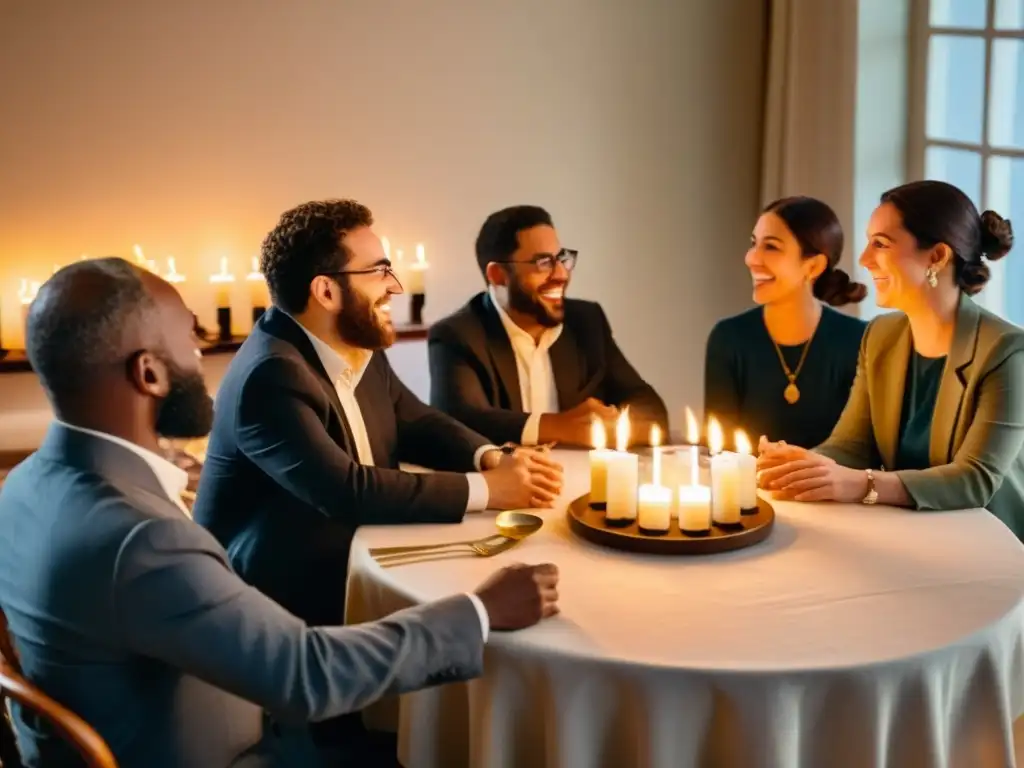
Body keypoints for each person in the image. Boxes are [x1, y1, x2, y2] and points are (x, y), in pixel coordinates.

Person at [0, 258, 560, 768]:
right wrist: (480, 611)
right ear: (148, 373)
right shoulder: (142, 539)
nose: (199, 353)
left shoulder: (23, 485)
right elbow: (305, 674)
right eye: (188, 337)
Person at [193, 199, 563, 630]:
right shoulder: (270, 376)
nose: (395, 286)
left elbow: (415, 420)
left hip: (353, 558)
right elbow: (346, 491)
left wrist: (492, 458)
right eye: (380, 271)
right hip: (275, 604)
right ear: (326, 292)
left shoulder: (352, 338)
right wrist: (490, 490)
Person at [758, 180, 1024, 540]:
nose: (865, 259)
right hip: (912, 534)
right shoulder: (881, 335)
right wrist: (805, 465)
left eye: (880, 244)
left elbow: (975, 480)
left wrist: (861, 485)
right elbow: (852, 445)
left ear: (937, 256)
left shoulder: (1007, 351)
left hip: (992, 545)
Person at [428, 205, 668, 447]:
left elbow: (649, 407)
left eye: (562, 258)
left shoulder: (586, 322)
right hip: (508, 481)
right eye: (543, 262)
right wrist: (559, 426)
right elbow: (459, 421)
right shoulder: (458, 335)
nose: (561, 274)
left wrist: (611, 427)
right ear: (498, 275)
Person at [704, 196, 868, 449]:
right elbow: (721, 449)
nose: (751, 258)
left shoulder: (860, 341)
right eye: (753, 244)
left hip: (832, 488)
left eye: (771, 247)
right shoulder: (728, 337)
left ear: (813, 266)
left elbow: (862, 449)